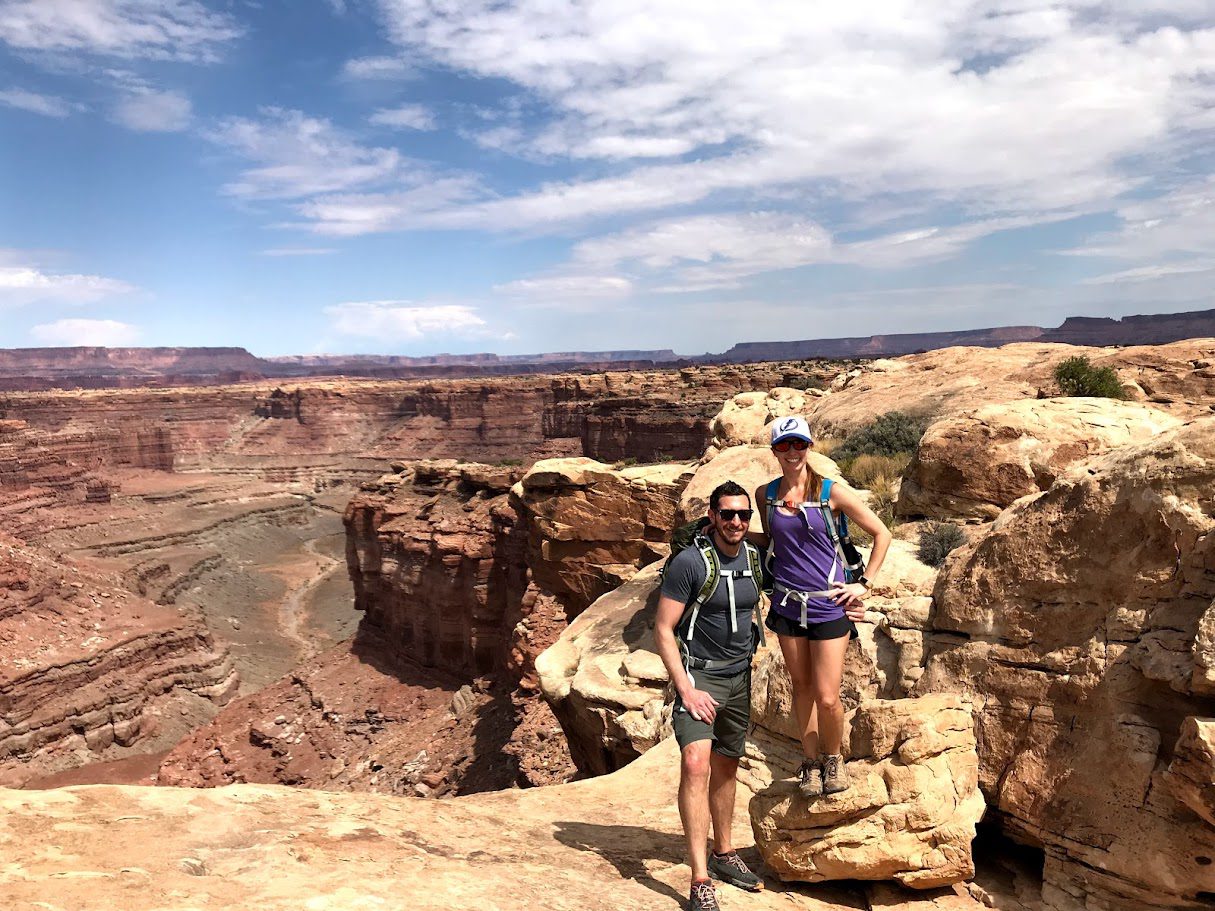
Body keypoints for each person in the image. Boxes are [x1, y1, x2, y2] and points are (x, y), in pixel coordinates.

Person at [751, 416, 891, 798]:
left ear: (809, 447)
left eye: (799, 445)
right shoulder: (766, 495)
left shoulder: (831, 491)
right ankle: (810, 763)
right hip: (786, 604)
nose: (792, 452)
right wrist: (724, 529)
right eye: (784, 446)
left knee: (828, 695)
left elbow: (882, 532)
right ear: (775, 451)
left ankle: (834, 758)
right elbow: (771, 540)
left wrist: (864, 584)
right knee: (801, 688)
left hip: (828, 606)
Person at [654, 481, 767, 911]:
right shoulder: (689, 563)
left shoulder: (755, 558)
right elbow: (663, 629)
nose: (736, 522)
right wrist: (686, 688)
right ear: (712, 516)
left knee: (727, 765)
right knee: (695, 763)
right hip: (699, 678)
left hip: (739, 678)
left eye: (743, 515)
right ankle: (700, 877)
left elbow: (798, 577)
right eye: (727, 514)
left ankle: (724, 854)